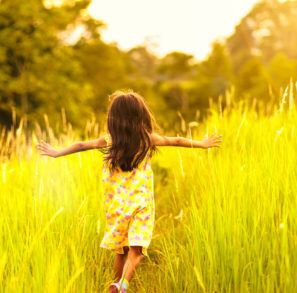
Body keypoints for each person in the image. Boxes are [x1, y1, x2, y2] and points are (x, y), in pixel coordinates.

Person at [36, 90, 222, 292]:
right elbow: (176, 140)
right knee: (137, 250)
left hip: (116, 205)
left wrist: (56, 153)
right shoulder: (147, 139)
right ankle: (122, 286)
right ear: (140, 115)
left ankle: (115, 284)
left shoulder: (109, 141)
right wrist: (202, 144)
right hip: (140, 205)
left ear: (113, 119)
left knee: (121, 250)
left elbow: (81, 144)